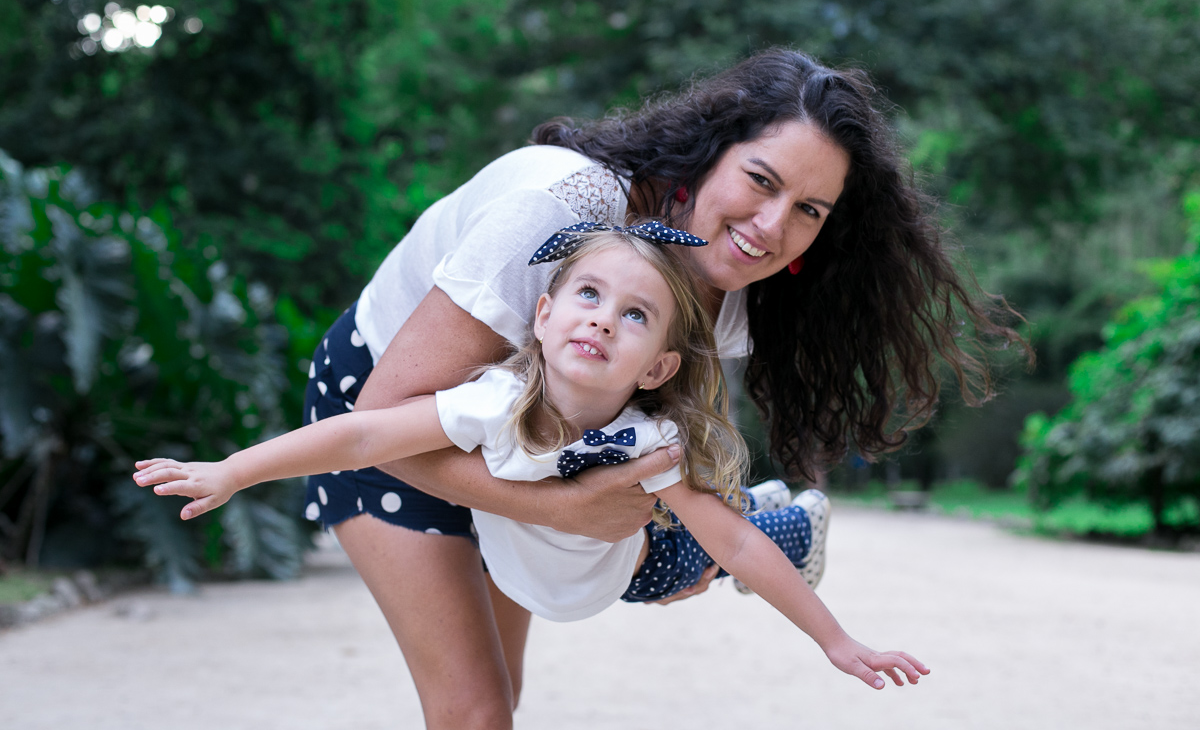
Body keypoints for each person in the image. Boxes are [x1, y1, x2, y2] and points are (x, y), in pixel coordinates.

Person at [155, 48, 1025, 729]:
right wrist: (562, 511)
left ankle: (772, 522)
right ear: (711, 151)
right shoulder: (562, 207)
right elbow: (376, 423)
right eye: (762, 181)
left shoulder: (726, 291)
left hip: (525, 429)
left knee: (507, 689)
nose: (772, 226)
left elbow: (662, 448)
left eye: (809, 210)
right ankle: (770, 523)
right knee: (472, 711)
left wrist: (691, 532)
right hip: (381, 403)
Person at [134, 225, 927, 688]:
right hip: (522, 565)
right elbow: (362, 434)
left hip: (633, 567)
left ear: (657, 367)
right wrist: (232, 470)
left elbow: (734, 547)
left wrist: (837, 641)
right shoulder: (490, 405)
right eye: (587, 296)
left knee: (713, 545)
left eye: (635, 314)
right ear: (542, 315)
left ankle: (792, 518)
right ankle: (761, 505)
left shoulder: (649, 444)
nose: (602, 320)